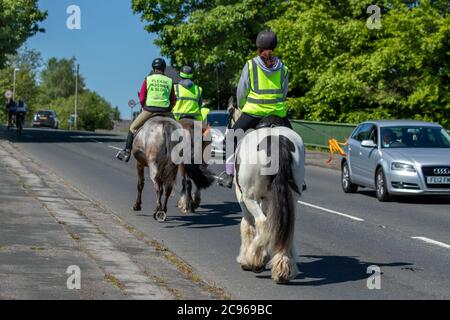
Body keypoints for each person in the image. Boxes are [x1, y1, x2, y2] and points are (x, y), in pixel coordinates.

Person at [219, 30, 292, 188]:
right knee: (294, 142)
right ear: (275, 47)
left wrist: (244, 106)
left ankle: (229, 173)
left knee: (231, 137)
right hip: (278, 114)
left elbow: (241, 91)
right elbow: (284, 92)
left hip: (254, 113)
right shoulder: (283, 68)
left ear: (258, 47)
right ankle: (296, 176)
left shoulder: (251, 65)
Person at [116, 58, 177, 162]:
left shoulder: (148, 79)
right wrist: (169, 108)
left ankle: (127, 151)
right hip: (166, 111)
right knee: (177, 130)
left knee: (133, 127)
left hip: (150, 110)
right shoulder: (169, 81)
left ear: (153, 69)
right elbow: (173, 100)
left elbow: (142, 97)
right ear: (164, 69)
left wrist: (145, 108)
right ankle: (181, 154)